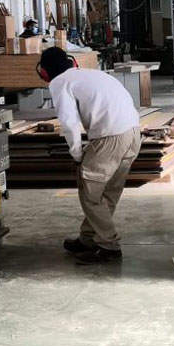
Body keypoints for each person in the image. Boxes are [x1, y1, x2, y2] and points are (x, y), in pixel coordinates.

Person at [39, 47, 142, 264]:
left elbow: (69, 124)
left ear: (45, 72)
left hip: (110, 137)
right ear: (71, 62)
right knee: (109, 192)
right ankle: (89, 238)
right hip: (133, 133)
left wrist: (77, 154)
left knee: (90, 192)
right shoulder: (94, 74)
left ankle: (109, 246)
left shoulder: (59, 82)